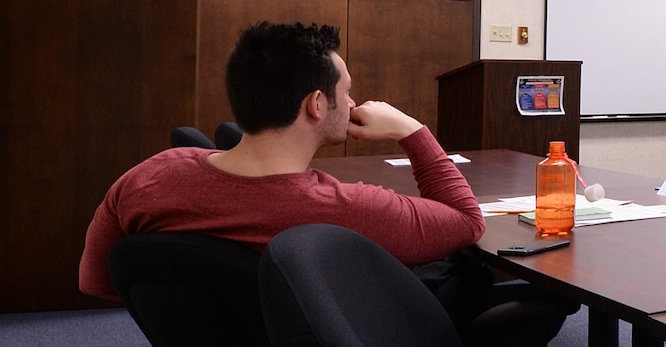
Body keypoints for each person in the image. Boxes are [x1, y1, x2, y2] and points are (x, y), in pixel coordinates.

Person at [78, 21, 484, 300]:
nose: (353, 103)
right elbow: (467, 221)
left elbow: (97, 282)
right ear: (317, 104)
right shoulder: (347, 211)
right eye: (346, 91)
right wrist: (412, 130)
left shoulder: (149, 177)